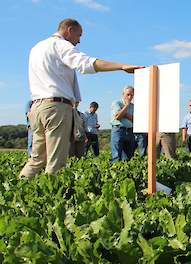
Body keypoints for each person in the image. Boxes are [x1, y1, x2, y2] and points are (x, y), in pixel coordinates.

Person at [19, 18, 142, 179]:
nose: (79, 40)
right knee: (56, 161)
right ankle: (52, 199)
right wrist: (121, 66)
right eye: (79, 35)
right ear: (69, 30)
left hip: (36, 107)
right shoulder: (61, 45)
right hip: (56, 108)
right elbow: (86, 63)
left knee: (37, 159)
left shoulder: (36, 48)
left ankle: (19, 189)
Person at [110, 86, 136, 162]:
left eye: (132, 95)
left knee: (129, 156)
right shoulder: (117, 103)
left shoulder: (133, 106)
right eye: (128, 94)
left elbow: (135, 119)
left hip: (130, 131)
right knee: (116, 156)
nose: (130, 97)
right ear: (123, 94)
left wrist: (124, 113)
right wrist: (127, 105)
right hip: (118, 130)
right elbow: (118, 117)